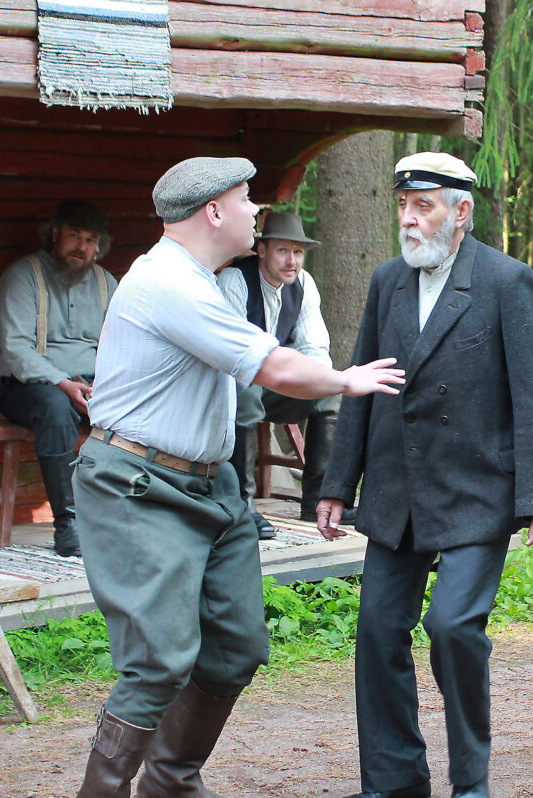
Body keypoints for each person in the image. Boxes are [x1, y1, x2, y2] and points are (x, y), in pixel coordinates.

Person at [71, 156, 405, 797]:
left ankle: (171, 781)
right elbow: (274, 369)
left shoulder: (208, 279)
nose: (257, 211)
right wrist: (345, 380)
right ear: (214, 211)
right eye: (247, 199)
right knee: (158, 660)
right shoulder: (168, 282)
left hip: (208, 485)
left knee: (235, 646)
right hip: (139, 485)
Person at [317, 152, 533, 798]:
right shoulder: (387, 282)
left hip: (475, 491)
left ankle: (470, 785)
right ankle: (393, 783)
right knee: (377, 632)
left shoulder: (507, 282)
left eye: (423, 206)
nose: (408, 218)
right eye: (403, 205)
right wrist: (337, 484)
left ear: (461, 212)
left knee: (453, 626)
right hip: (396, 494)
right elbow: (362, 384)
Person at [217, 211, 354, 539]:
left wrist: (319, 381)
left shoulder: (304, 283)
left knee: (329, 391)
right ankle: (243, 505)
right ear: (262, 251)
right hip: (227, 389)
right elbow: (233, 357)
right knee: (245, 390)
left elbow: (315, 347)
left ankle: (318, 501)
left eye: (298, 252)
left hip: (275, 385)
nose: (292, 261)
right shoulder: (235, 280)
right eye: (282, 250)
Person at [0, 200, 116, 557]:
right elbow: (16, 348)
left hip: (91, 385)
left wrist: (105, 386)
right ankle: (68, 523)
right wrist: (63, 383)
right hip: (30, 388)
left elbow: (123, 344)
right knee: (56, 409)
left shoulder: (106, 283)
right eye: (74, 236)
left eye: (90, 240)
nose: (81, 247)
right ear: (55, 234)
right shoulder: (24, 275)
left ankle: (124, 518)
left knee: (135, 412)